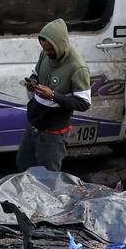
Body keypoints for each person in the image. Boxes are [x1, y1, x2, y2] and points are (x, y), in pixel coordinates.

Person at [16, 19, 91, 172]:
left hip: (53, 133)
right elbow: (36, 73)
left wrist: (53, 96)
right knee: (23, 166)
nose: (47, 53)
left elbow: (84, 103)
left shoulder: (78, 68)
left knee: (48, 176)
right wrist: (33, 82)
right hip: (34, 124)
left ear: (61, 44)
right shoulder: (45, 54)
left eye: (51, 50)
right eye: (45, 49)